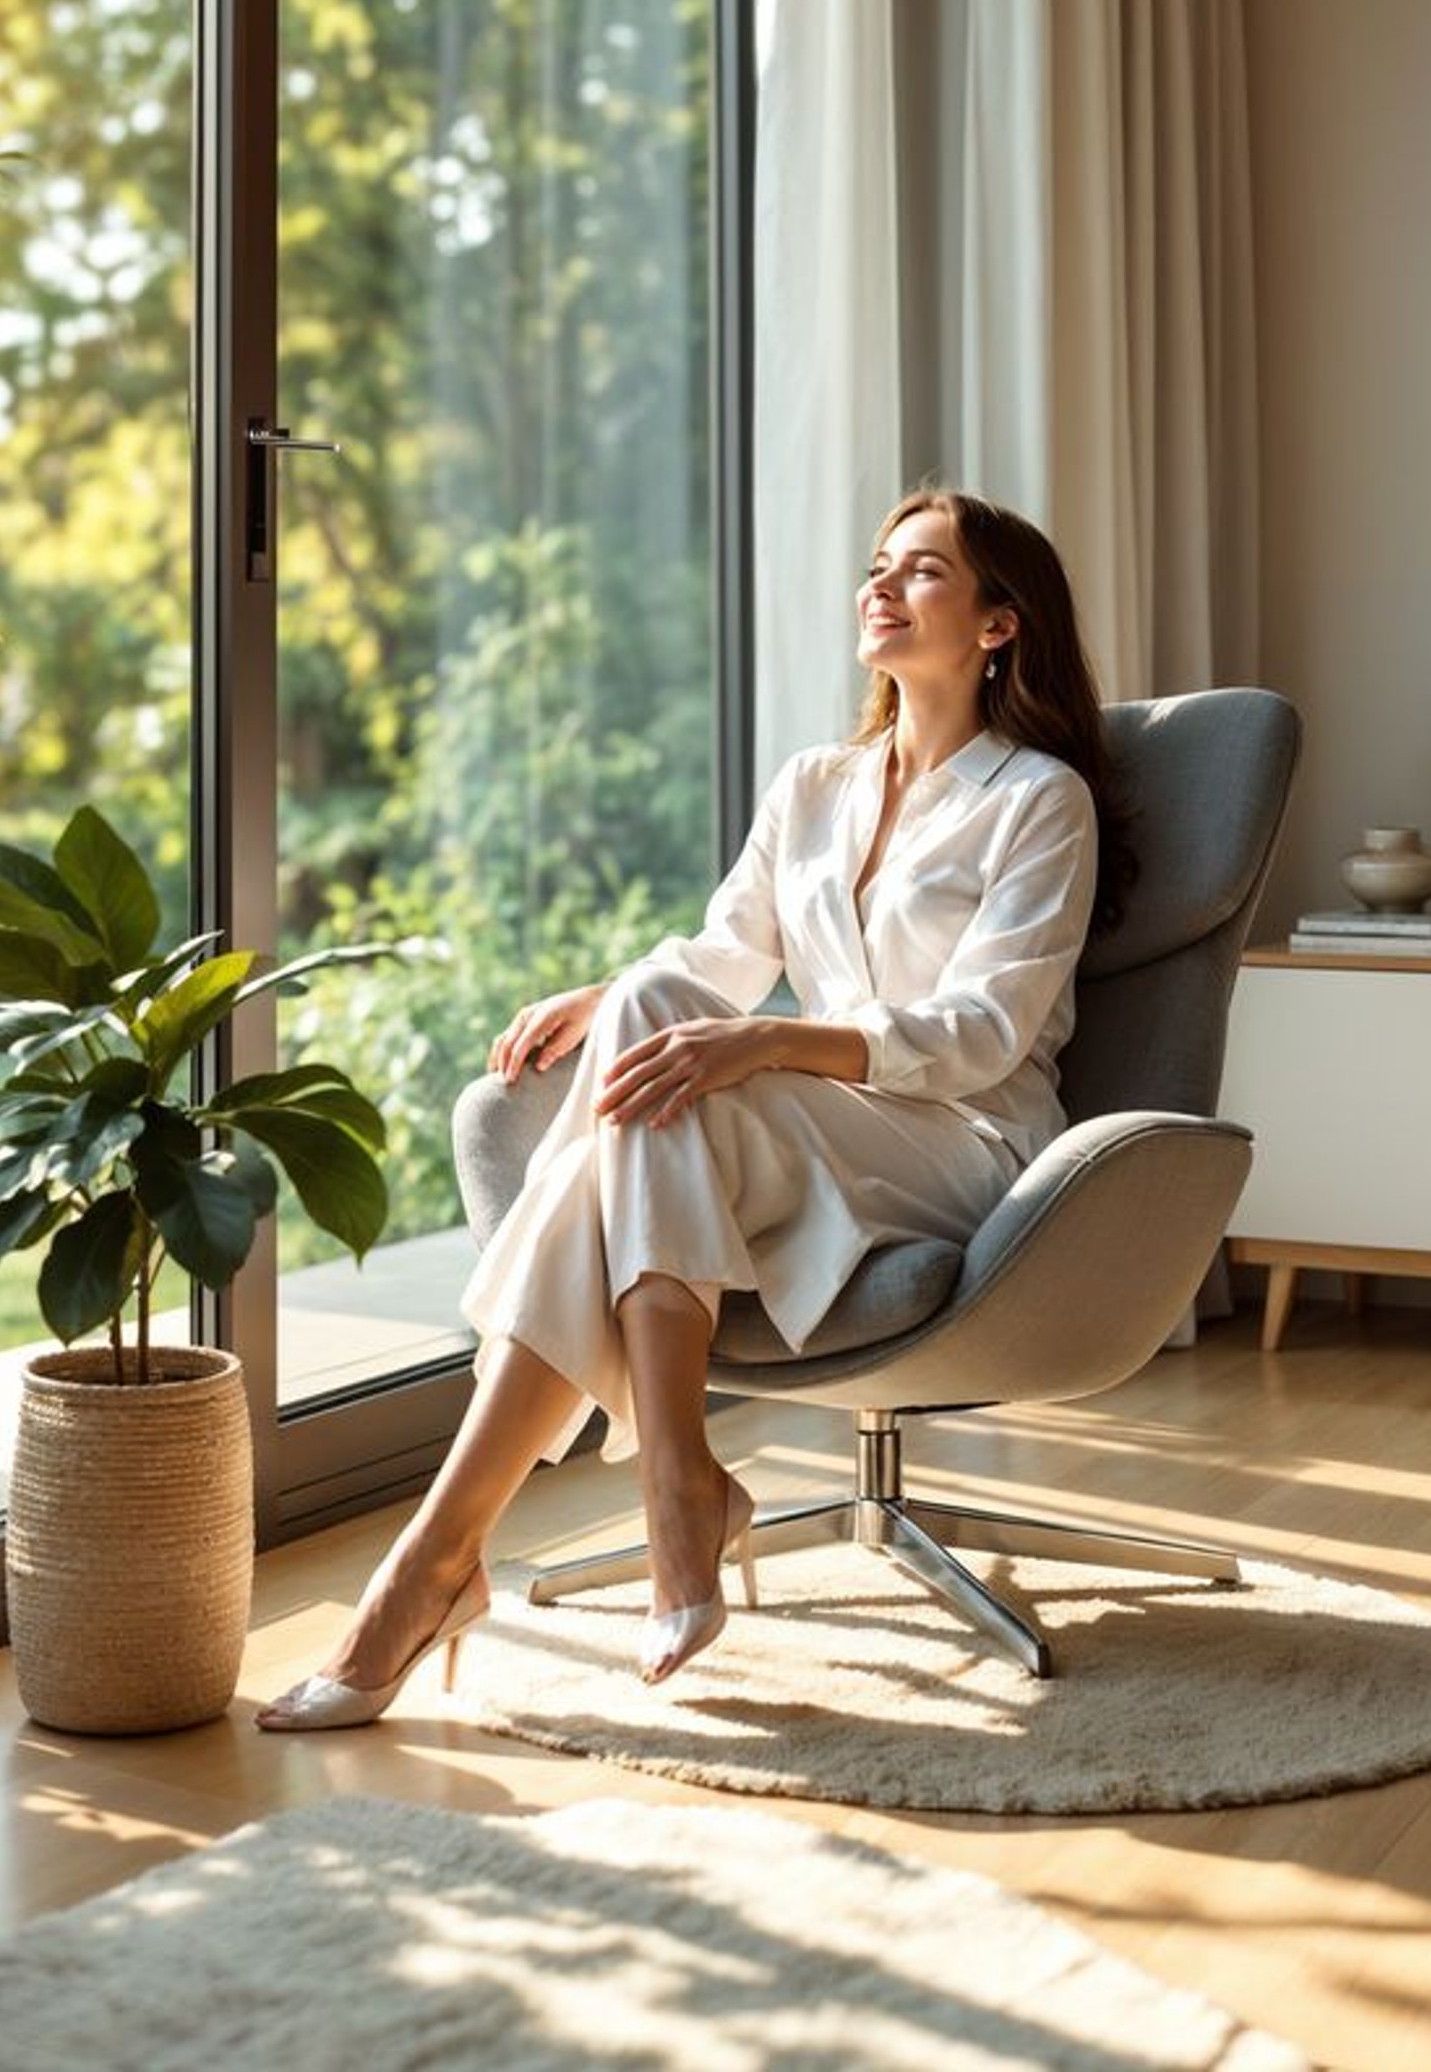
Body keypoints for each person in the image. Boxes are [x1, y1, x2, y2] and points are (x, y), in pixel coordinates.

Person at [256, 487, 1132, 1731]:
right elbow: (725, 952)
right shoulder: (815, 784)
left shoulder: (1040, 799)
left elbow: (982, 1033)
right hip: (810, 1136)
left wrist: (769, 1035)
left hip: (970, 1146)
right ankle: (655, 1485)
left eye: (922, 572)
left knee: (641, 1123)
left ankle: (467, 1556)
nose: (879, 586)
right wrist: (615, 993)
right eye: (877, 564)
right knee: (662, 1003)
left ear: (998, 625)